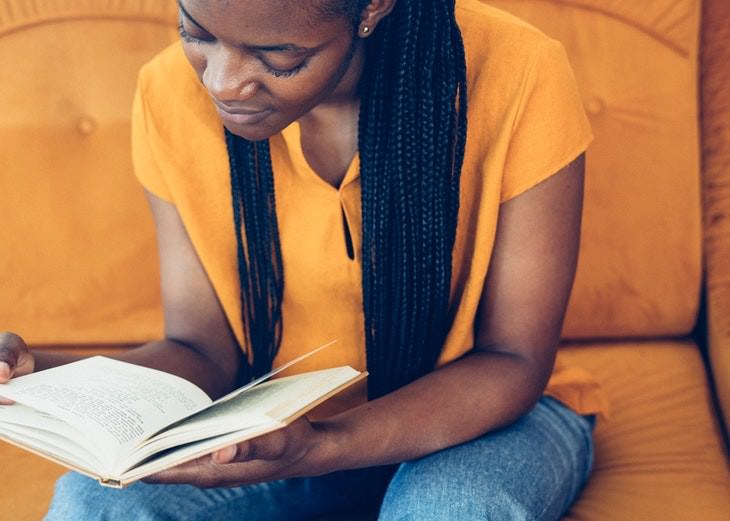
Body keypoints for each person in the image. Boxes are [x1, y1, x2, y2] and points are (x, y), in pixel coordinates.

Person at [0, 0, 605, 519]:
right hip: (278, 428)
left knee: (453, 508)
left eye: (279, 57)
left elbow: (513, 360)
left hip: (482, 420)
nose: (223, 83)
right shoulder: (167, 93)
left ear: (371, 9)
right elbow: (201, 350)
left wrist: (323, 445)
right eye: (196, 33)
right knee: (95, 504)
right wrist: (40, 376)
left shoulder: (518, 70)